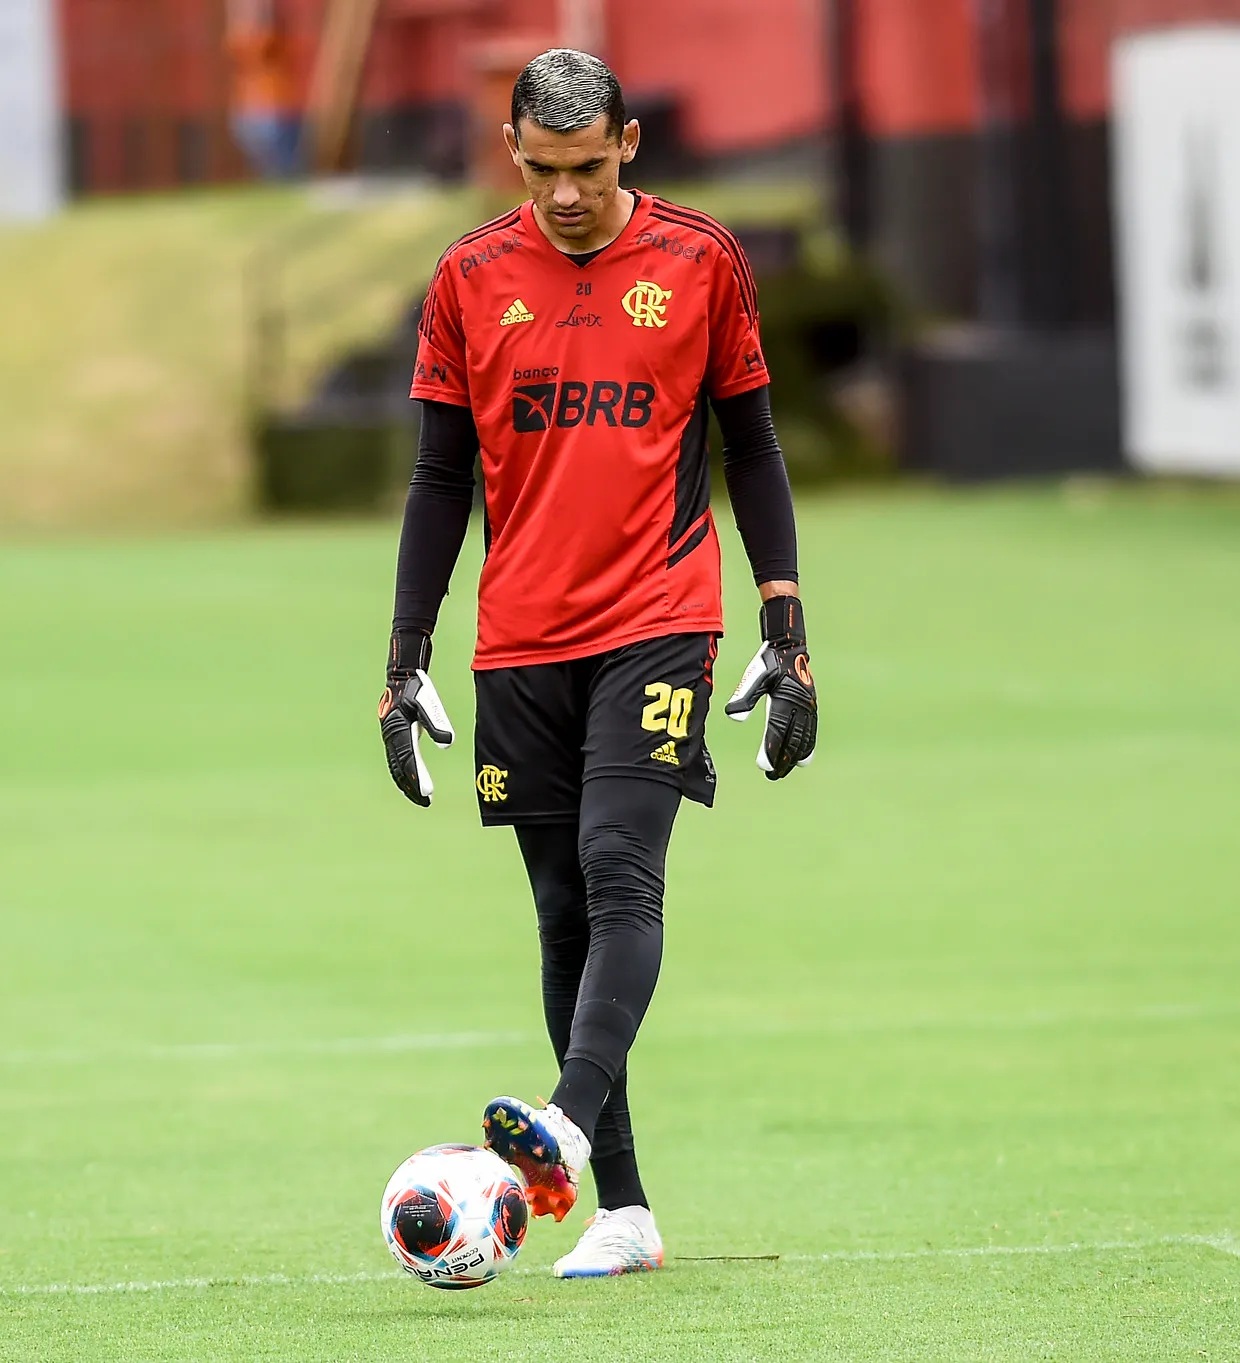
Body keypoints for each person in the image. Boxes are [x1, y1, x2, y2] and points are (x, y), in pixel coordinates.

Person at [377, 48, 818, 1279]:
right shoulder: (467, 279)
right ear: (508, 147)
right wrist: (404, 656)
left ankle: (560, 1123)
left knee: (618, 866)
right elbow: (437, 476)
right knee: (559, 910)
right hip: (518, 633)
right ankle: (620, 1209)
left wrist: (783, 631)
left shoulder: (698, 262)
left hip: (661, 611)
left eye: (582, 167)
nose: (562, 194)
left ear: (626, 141)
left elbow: (754, 447)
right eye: (537, 168)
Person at [225, 0, 302, 181]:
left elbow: (267, 38)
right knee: (270, 168)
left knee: (283, 168)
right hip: (253, 113)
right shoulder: (240, 41)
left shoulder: (269, 38)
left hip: (275, 113)